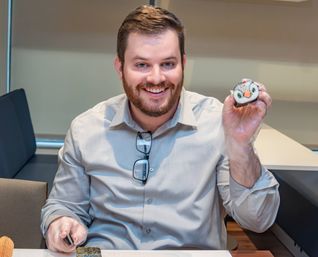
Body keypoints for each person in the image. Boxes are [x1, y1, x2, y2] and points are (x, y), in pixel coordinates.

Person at [41, 5, 280, 253]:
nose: (156, 78)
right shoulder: (86, 129)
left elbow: (258, 220)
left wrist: (241, 145)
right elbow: (64, 205)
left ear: (183, 64)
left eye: (167, 64)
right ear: (119, 67)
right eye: (142, 65)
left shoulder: (217, 122)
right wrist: (60, 222)